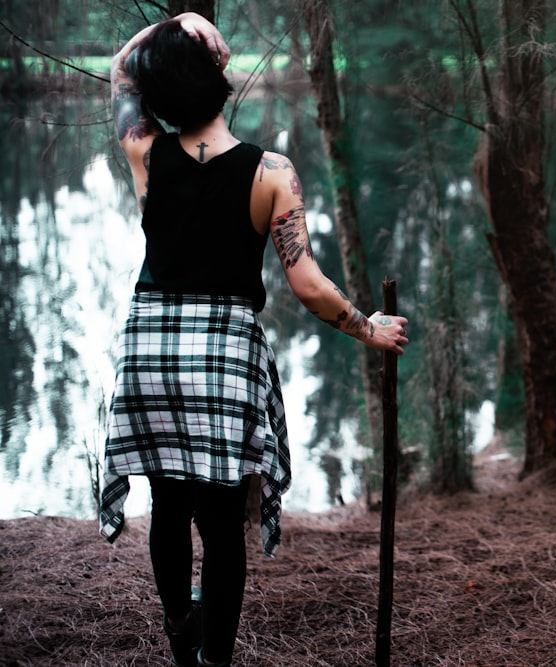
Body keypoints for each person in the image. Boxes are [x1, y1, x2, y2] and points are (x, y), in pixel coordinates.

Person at [98, 13, 409, 667]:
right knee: (219, 520)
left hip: (149, 350)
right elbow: (310, 285)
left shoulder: (144, 151)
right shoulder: (272, 172)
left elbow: (118, 73)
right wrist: (368, 326)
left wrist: (171, 24)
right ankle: (216, 659)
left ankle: (182, 631)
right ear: (221, 80)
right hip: (221, 357)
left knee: (167, 503)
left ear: (161, 98)